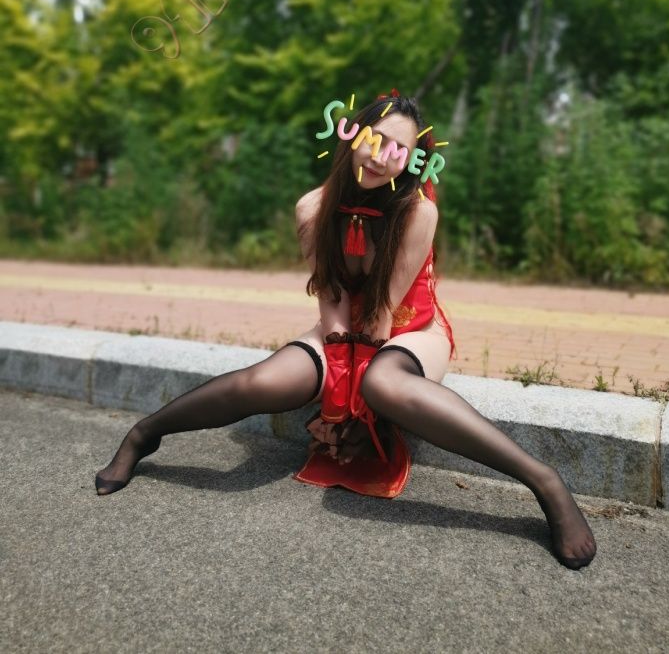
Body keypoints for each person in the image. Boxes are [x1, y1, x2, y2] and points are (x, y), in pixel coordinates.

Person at [94, 92, 597, 571]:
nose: (381, 156)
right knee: (263, 382)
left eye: (399, 149)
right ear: (352, 134)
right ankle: (144, 434)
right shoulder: (313, 208)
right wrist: (338, 400)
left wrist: (358, 408)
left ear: (413, 160)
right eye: (375, 139)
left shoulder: (418, 212)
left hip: (409, 328)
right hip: (340, 327)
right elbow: (332, 299)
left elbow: (382, 312)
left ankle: (544, 481)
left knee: (384, 384)